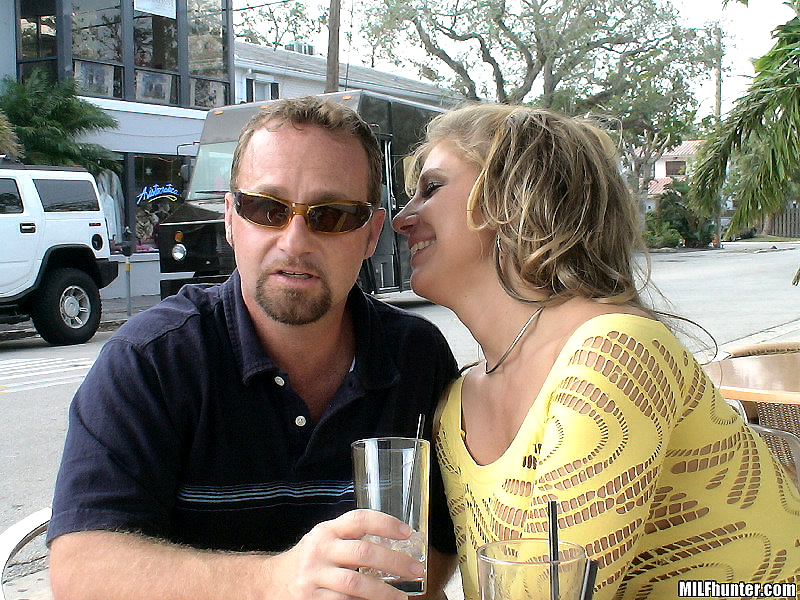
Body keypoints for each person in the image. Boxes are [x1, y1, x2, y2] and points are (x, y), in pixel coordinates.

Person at [47, 97, 459, 600]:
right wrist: (275, 581)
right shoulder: (151, 360)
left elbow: (442, 543)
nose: (295, 241)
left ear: (371, 234)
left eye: (330, 215)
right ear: (230, 218)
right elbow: (81, 568)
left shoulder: (416, 357)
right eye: (267, 209)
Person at [391, 103, 800, 600]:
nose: (402, 219)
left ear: (515, 198)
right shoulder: (457, 401)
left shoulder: (615, 351)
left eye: (432, 188)